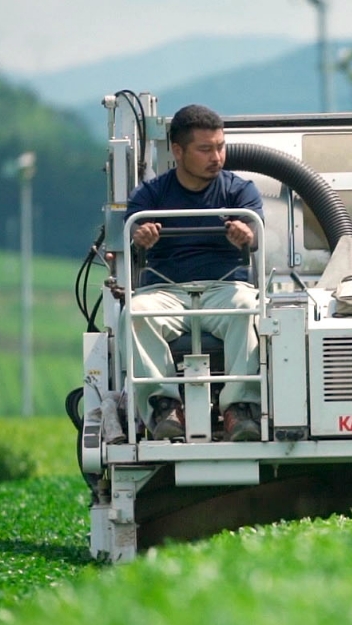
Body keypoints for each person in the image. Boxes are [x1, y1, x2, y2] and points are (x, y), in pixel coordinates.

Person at [124, 103, 263, 442]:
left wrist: (247, 235)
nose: (216, 156)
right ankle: (164, 408)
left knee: (249, 307)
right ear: (177, 151)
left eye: (220, 146)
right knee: (137, 311)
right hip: (166, 293)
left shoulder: (239, 190)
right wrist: (140, 236)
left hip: (224, 287)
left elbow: (255, 232)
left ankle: (239, 409)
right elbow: (133, 233)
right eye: (205, 149)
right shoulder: (151, 194)